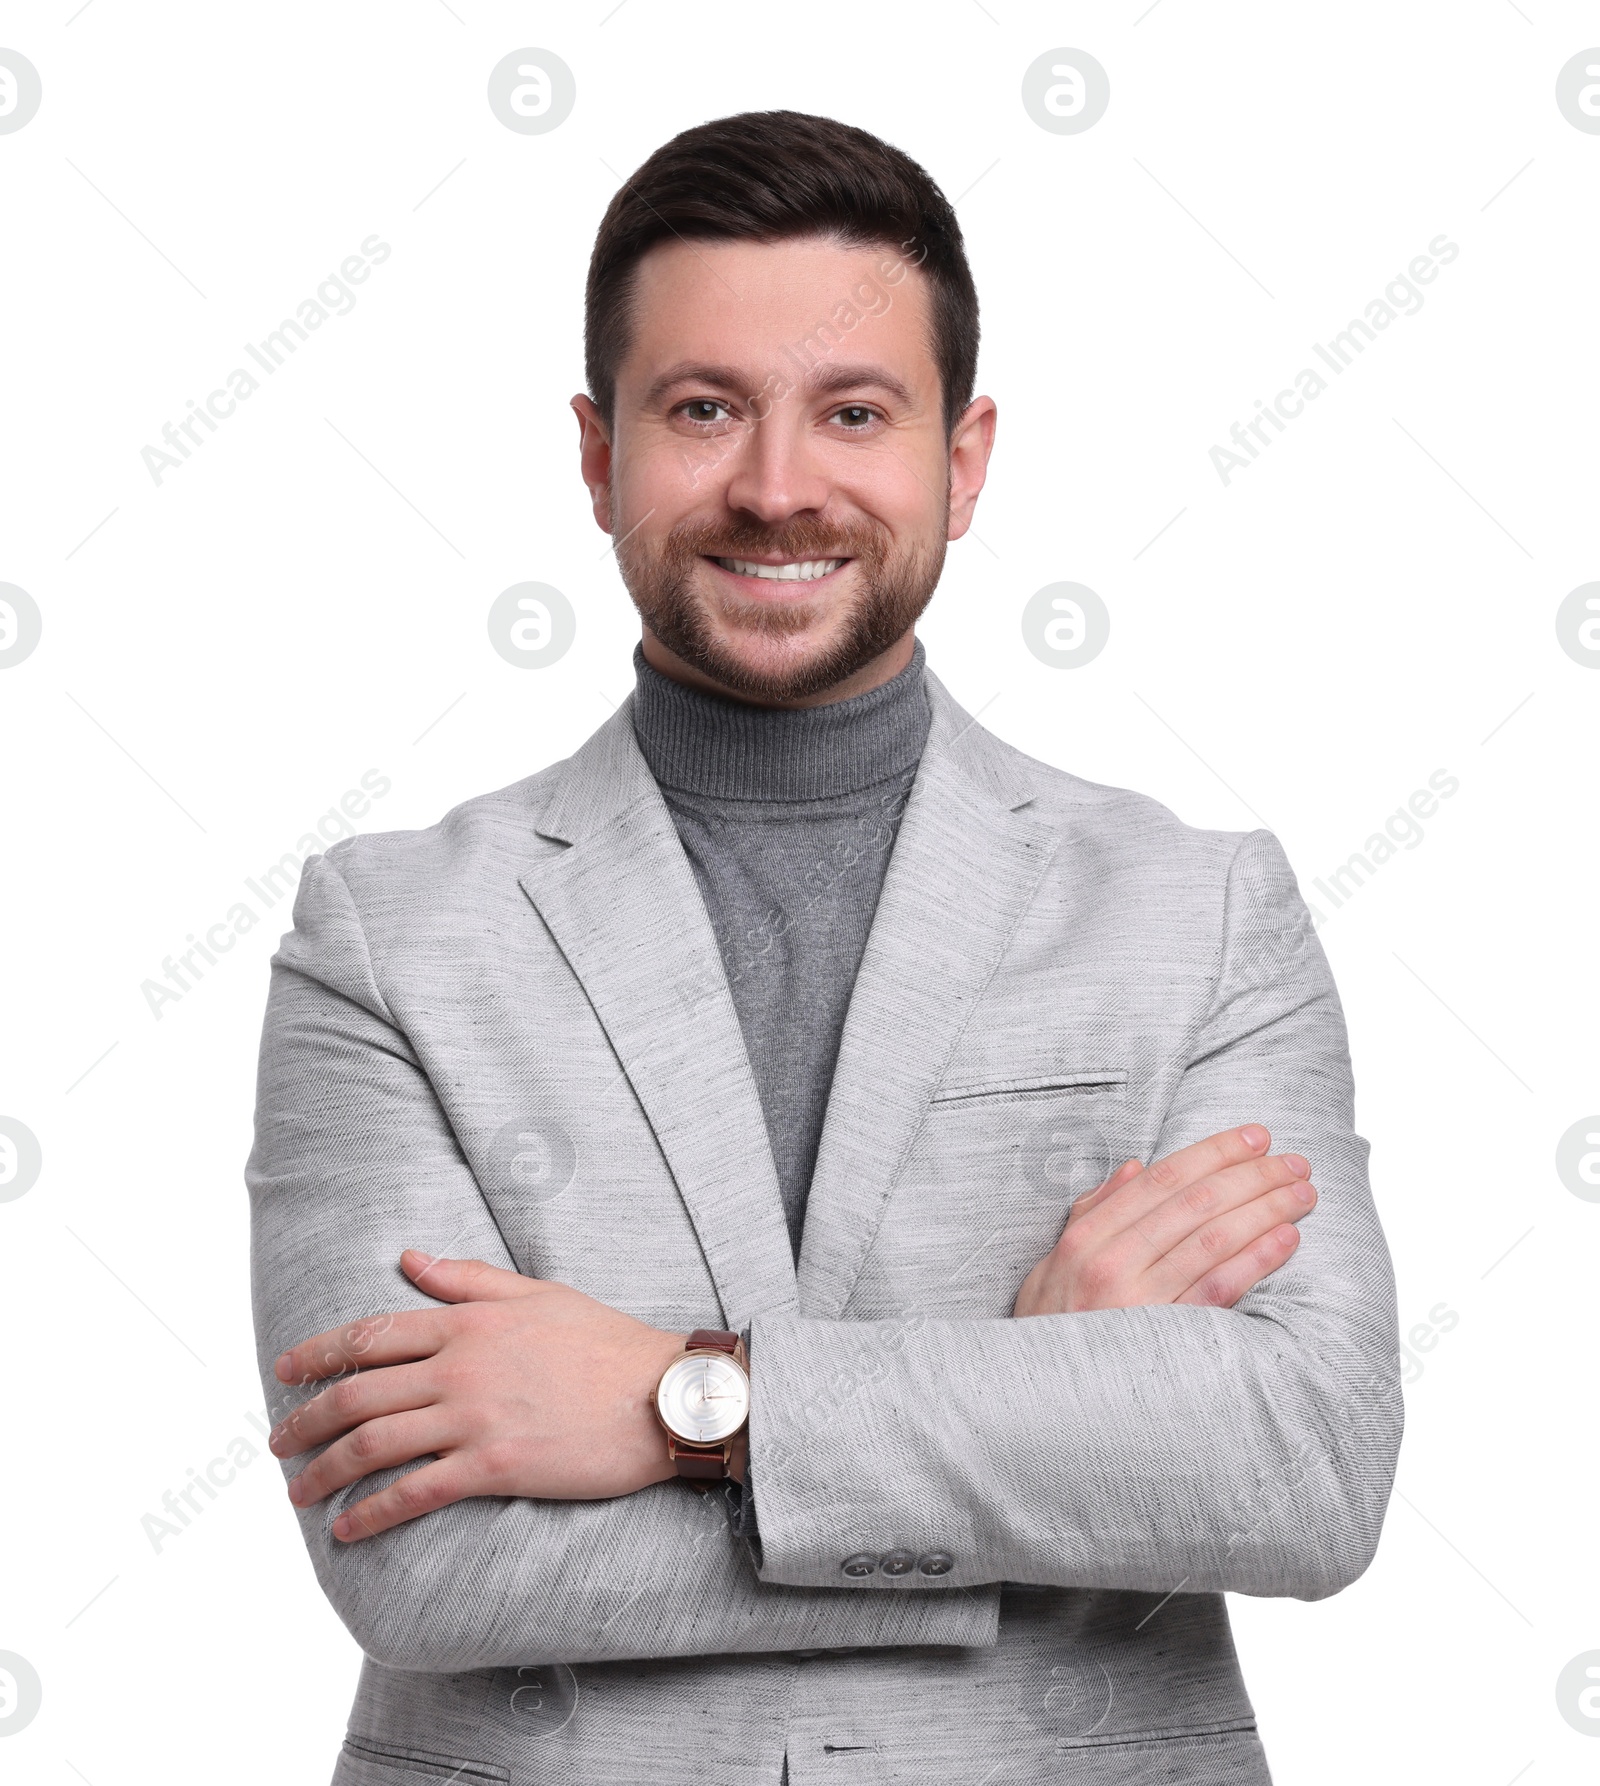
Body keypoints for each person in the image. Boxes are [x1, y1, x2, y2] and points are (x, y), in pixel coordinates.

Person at [247, 109, 1402, 1785]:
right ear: (597, 455)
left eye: (853, 413)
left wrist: (677, 1405)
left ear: (964, 457)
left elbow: (1305, 1466)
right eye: (703, 408)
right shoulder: (387, 930)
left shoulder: (1201, 907)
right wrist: (1046, 1421)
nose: (777, 484)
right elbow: (420, 1558)